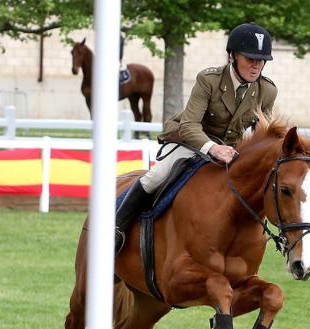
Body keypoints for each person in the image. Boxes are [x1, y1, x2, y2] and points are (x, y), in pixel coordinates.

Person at [114, 22, 277, 254]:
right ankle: (116, 228)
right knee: (156, 175)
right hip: (191, 140)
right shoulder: (209, 80)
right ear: (232, 56)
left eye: (261, 60)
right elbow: (190, 125)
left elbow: (264, 132)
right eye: (250, 59)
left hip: (230, 149)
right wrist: (212, 148)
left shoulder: (267, 90)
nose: (256, 66)